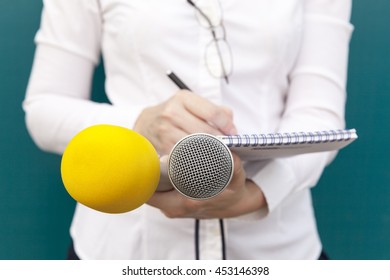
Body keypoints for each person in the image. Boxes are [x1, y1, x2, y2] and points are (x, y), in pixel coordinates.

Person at [23, 0, 353, 260]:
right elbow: (44, 108)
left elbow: (319, 116)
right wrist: (142, 123)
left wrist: (260, 193)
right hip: (126, 251)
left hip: (277, 249)